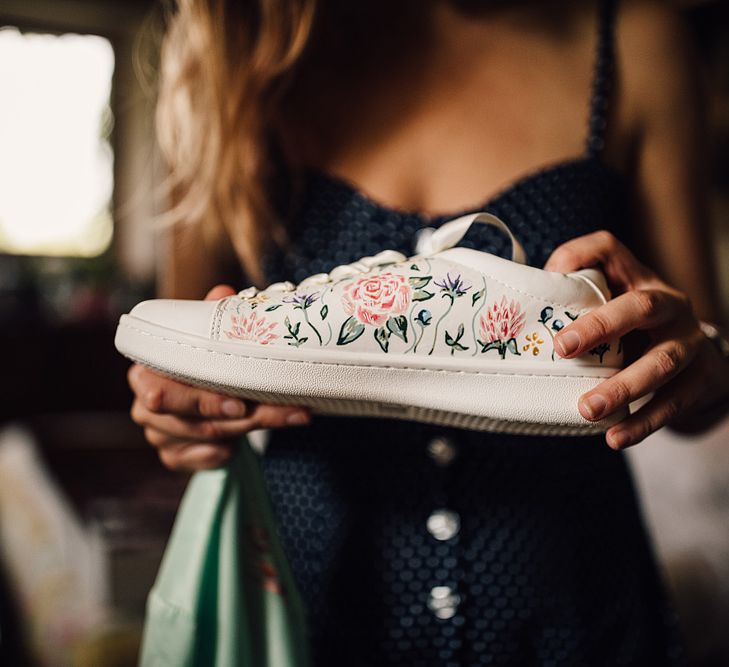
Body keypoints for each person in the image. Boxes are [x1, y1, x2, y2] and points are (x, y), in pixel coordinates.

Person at [128, 0, 729, 663]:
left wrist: (695, 361)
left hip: (575, 603)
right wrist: (180, 414)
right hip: (317, 595)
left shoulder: (634, 37)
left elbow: (703, 368)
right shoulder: (232, 41)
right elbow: (177, 346)